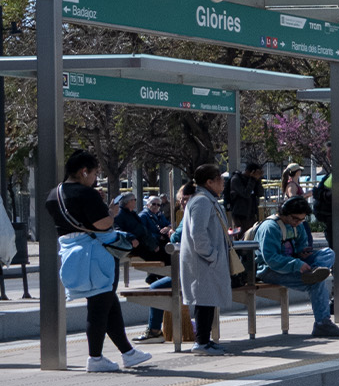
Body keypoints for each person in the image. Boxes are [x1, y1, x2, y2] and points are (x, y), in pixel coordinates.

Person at [47, 150, 153, 372]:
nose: (95, 178)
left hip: (71, 252)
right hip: (95, 254)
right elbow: (102, 224)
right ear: (84, 171)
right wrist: (111, 213)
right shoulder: (87, 194)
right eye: (94, 173)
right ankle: (95, 357)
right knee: (98, 307)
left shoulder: (53, 195)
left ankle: (128, 353)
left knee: (107, 303)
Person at [254, 196, 339, 337]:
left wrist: (303, 253)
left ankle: (314, 271)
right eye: (295, 219)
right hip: (270, 270)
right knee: (316, 282)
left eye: (302, 220)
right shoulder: (270, 228)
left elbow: (302, 245)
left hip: (296, 264)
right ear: (285, 212)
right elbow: (271, 259)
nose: (298, 223)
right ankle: (322, 323)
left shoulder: (298, 226)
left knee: (328, 253)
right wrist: (297, 264)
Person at [178, 164, 233, 356]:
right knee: (204, 300)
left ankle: (205, 340)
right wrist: (212, 255)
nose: (223, 182)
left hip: (207, 261)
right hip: (203, 261)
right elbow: (198, 234)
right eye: (220, 179)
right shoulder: (201, 201)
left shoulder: (206, 200)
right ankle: (200, 342)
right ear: (209, 182)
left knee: (208, 300)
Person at [137, 184, 193, 342]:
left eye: (186, 199)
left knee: (156, 288)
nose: (183, 203)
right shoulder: (145, 216)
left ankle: (154, 330)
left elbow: (177, 238)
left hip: (192, 271)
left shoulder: (190, 216)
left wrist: (170, 232)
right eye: (180, 200)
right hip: (194, 268)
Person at [225, 162, 265, 235]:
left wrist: (258, 180)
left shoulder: (253, 180)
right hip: (240, 214)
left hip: (251, 214)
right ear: (249, 171)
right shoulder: (236, 179)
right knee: (241, 236)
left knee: (251, 235)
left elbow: (260, 193)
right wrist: (252, 179)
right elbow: (246, 194)